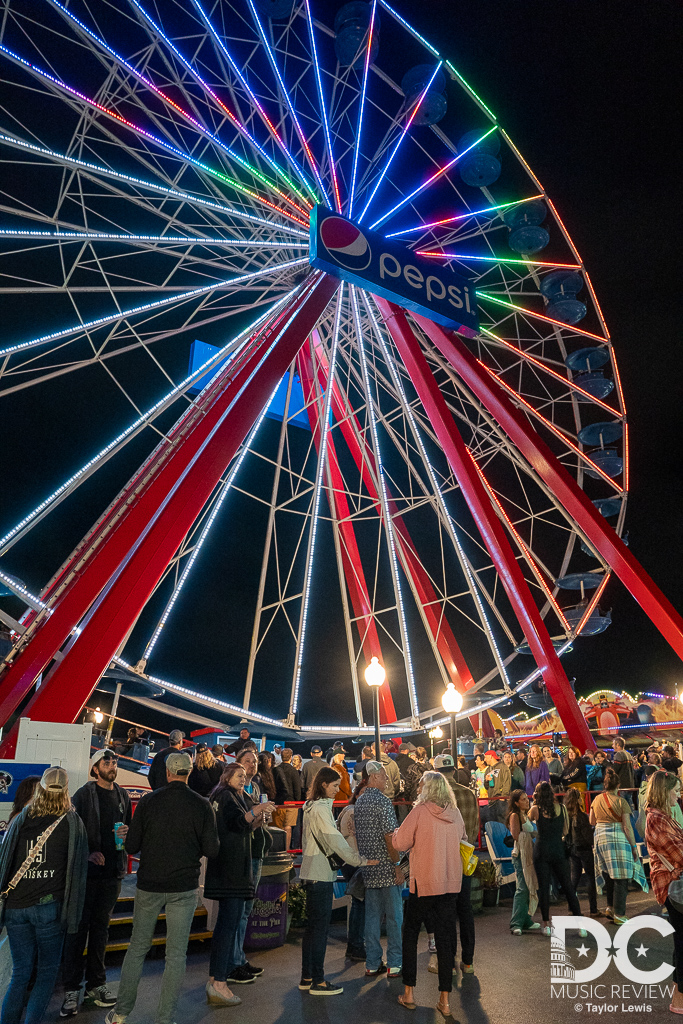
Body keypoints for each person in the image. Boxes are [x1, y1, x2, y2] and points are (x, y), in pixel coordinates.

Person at [105, 751, 219, 1024]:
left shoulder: (148, 802)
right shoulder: (201, 804)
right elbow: (212, 850)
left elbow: (132, 845)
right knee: (176, 954)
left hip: (149, 884)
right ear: (188, 773)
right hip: (184, 886)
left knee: (137, 948)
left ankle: (120, 1013)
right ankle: (165, 1019)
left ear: (167, 773)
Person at [0, 767, 88, 1024]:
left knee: (20, 973)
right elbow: (78, 870)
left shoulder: (21, 818)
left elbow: (5, 861)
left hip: (16, 907)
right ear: (66, 791)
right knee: (46, 974)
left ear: (41, 789)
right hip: (49, 908)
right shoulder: (73, 822)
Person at [61, 749, 132, 1017]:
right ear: (95, 768)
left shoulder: (123, 795)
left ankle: (96, 985)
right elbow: (71, 833)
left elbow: (131, 831)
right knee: (77, 931)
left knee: (101, 930)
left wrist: (127, 834)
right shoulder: (84, 794)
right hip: (87, 876)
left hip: (112, 874)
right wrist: (88, 853)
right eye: (107, 762)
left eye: (114, 762)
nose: (112, 765)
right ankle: (71, 989)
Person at [393, 771, 466, 1017]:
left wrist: (395, 833)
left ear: (428, 789)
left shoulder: (420, 811)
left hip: (423, 884)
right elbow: (464, 840)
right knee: (446, 941)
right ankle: (445, 1001)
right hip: (450, 884)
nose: (417, 789)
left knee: (411, 935)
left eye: (420, 785)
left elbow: (400, 843)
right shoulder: (455, 814)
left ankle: (409, 993)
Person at [298, 767, 377, 995]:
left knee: (312, 928)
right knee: (320, 929)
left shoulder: (311, 807)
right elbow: (336, 842)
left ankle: (307, 976)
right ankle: (319, 981)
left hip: (310, 871)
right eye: (334, 785)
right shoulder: (322, 809)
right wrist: (359, 860)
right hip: (320, 873)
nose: (338, 790)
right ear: (324, 785)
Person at [204, 764, 276, 1000]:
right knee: (227, 927)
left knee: (228, 926)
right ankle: (219, 982)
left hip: (229, 870)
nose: (243, 778)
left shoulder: (231, 796)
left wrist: (257, 818)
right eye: (239, 775)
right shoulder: (225, 796)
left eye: (245, 776)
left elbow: (243, 826)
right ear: (226, 776)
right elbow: (236, 822)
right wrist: (257, 810)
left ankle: (217, 979)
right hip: (231, 871)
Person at [353, 762, 403, 979]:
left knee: (372, 917)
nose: (387, 780)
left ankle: (372, 962)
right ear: (373, 777)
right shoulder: (383, 802)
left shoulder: (360, 801)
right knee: (394, 918)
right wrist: (396, 864)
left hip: (368, 868)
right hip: (386, 868)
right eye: (383, 776)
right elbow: (390, 837)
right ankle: (395, 963)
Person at [432, 754, 477, 974]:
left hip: (444, 860)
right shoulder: (469, 794)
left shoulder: (438, 799)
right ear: (453, 770)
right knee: (465, 910)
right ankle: (467, 962)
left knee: (446, 913)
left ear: (437, 773)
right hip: (464, 858)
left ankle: (448, 962)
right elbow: (475, 828)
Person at [231, 750, 272, 981]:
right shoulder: (234, 792)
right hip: (245, 855)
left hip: (256, 851)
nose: (253, 765)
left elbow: (254, 823)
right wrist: (257, 817)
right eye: (248, 761)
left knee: (246, 911)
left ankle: (239, 958)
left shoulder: (254, 787)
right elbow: (241, 824)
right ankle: (234, 961)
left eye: (255, 762)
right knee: (240, 911)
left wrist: (262, 818)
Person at [645, 771, 683, 1015]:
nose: (678, 795)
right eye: (676, 790)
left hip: (674, 885)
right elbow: (679, 854)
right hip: (673, 886)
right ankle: (679, 1000)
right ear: (663, 791)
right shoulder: (657, 819)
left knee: (681, 942)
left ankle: (677, 999)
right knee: (682, 943)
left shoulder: (664, 817)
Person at [527, 781, 583, 936]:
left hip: (541, 850)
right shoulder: (562, 808)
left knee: (544, 888)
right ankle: (580, 924)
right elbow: (565, 830)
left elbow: (527, 826)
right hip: (558, 849)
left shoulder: (535, 809)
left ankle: (546, 924)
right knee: (568, 887)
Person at [589, 767, 643, 925]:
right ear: (618, 785)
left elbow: (592, 821)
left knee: (609, 875)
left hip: (600, 838)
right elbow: (627, 827)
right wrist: (633, 846)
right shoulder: (621, 802)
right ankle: (619, 914)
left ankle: (610, 907)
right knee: (621, 876)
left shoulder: (597, 799)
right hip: (617, 838)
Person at [337, 778, 368, 962]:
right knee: (360, 903)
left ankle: (353, 945)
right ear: (356, 794)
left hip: (349, 860)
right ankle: (356, 945)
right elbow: (356, 838)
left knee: (358, 903)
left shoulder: (348, 810)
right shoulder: (353, 812)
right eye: (363, 793)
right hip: (354, 860)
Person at [507, 789, 540, 936]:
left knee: (529, 885)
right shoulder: (515, 816)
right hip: (520, 854)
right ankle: (516, 923)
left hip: (529, 853)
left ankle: (526, 919)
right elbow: (515, 835)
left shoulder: (525, 816)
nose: (527, 801)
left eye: (527, 798)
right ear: (516, 802)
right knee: (522, 887)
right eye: (523, 799)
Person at [564, 787, 599, 918]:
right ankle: (593, 909)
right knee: (590, 877)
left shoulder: (567, 816)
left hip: (573, 849)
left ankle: (571, 907)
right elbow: (587, 836)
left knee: (574, 879)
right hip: (584, 849)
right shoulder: (582, 816)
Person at [273, 747, 302, 850]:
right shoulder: (293, 771)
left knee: (278, 827)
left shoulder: (276, 770)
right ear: (290, 757)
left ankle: (278, 849)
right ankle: (287, 850)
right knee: (288, 827)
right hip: (291, 802)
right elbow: (297, 788)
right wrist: (298, 802)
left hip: (279, 802)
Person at [481, 749, 510, 823]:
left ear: (491, 757)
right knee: (493, 822)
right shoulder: (488, 770)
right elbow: (486, 787)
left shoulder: (503, 767)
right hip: (491, 800)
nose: (484, 760)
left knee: (502, 821)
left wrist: (503, 797)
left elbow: (507, 782)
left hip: (500, 799)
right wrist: (486, 781)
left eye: (485, 757)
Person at [612, 736, 636, 807]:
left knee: (622, 806)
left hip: (622, 785)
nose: (612, 746)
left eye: (613, 744)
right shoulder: (628, 754)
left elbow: (615, 769)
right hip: (630, 785)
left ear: (618, 745)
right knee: (629, 806)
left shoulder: (619, 754)